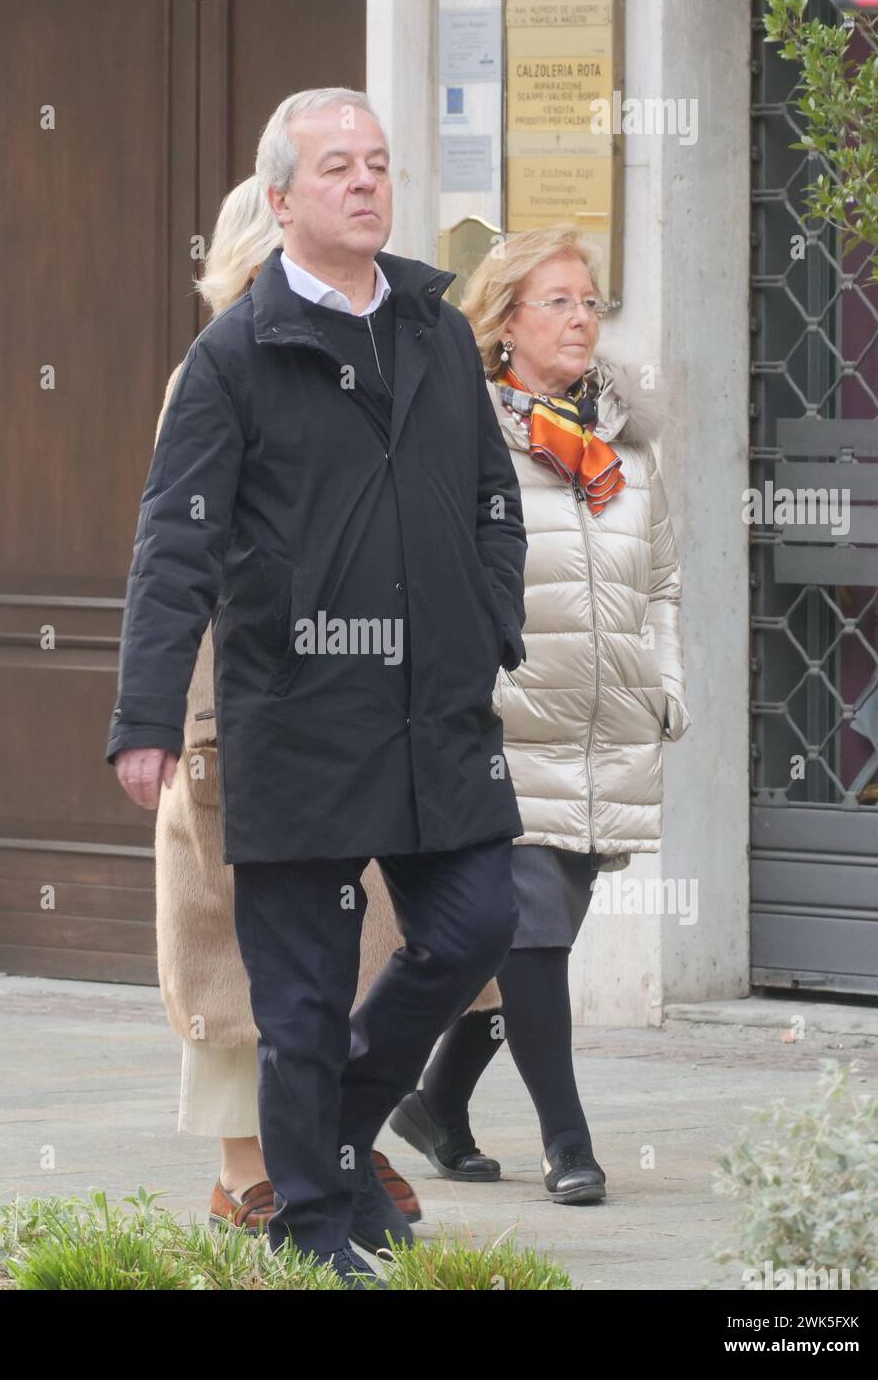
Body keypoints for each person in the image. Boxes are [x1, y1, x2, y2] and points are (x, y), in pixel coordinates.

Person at [106, 88, 527, 1288]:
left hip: (434, 712)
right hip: (294, 716)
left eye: (379, 164)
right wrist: (145, 717)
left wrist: (488, 615)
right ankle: (306, 1227)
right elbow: (174, 545)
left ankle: (336, 1135)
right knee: (294, 995)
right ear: (280, 199)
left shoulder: (437, 328)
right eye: (335, 166)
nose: (363, 183)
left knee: (474, 924)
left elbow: (495, 497)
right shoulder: (231, 357)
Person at [390, 225, 691, 1205]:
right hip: (505, 723)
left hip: (604, 729)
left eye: (587, 301)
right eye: (555, 300)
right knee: (528, 932)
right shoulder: (469, 434)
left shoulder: (625, 446)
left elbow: (661, 582)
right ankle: (569, 1143)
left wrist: (666, 678)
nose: (578, 318)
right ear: (503, 322)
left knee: (520, 935)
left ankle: (433, 1101)